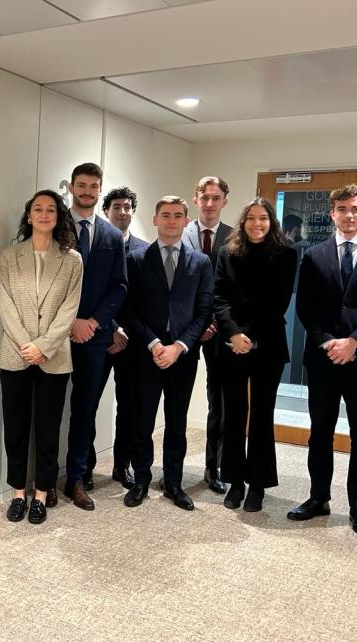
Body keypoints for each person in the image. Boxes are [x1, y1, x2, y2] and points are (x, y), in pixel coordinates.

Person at [287, 184, 357, 537]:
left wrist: (354, 342)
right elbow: (305, 307)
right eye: (342, 209)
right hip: (323, 360)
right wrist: (328, 342)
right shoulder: (314, 255)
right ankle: (318, 498)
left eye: (355, 209)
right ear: (332, 214)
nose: (348, 215)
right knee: (319, 433)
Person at [118, 196, 214, 510]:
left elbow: (204, 311)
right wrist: (153, 343)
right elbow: (127, 309)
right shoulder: (136, 259)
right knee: (142, 420)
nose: (171, 221)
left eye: (177, 215)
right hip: (146, 353)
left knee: (176, 422)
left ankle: (173, 482)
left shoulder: (200, 262)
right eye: (165, 215)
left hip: (182, 356)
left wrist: (179, 346)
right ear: (155, 219)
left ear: (186, 220)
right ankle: (141, 480)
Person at [0, 190, 82, 525]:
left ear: (58, 217)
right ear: (29, 216)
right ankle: (19, 492)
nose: (44, 214)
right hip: (15, 353)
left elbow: (69, 310)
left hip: (55, 356)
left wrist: (44, 346)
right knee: (15, 428)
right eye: (38, 209)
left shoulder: (72, 260)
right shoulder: (9, 256)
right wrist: (26, 345)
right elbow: (5, 304)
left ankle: (42, 494)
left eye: (50, 210)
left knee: (48, 429)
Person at [213, 199, 297, 512]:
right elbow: (219, 297)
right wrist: (234, 334)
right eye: (251, 218)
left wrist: (252, 338)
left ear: (271, 222)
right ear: (243, 221)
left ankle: (258, 485)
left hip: (268, 345)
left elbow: (278, 302)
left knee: (262, 416)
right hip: (232, 344)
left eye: (263, 218)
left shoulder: (286, 254)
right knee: (234, 414)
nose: (257, 224)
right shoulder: (227, 252)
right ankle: (235, 481)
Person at [57, 163, 127, 512]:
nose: (87, 191)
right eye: (81, 185)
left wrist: (95, 322)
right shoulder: (54, 228)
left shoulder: (112, 236)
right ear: (71, 188)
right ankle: (45, 480)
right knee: (50, 409)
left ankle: (76, 478)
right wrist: (70, 321)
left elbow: (119, 285)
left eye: (93, 186)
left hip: (95, 337)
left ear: (100, 190)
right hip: (56, 334)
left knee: (85, 410)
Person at [88, 187, 148, 490]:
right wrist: (112, 327)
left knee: (129, 407)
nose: (122, 212)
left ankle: (121, 466)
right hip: (99, 336)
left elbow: (145, 301)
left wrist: (127, 331)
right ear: (105, 211)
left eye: (127, 207)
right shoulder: (93, 244)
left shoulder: (145, 250)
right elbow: (89, 294)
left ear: (132, 211)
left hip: (132, 343)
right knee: (88, 403)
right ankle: (85, 467)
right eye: (116, 207)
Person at [182, 176, 232, 495]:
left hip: (219, 331)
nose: (210, 203)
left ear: (224, 201)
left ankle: (214, 468)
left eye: (216, 198)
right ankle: (172, 468)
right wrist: (197, 324)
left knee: (219, 403)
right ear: (196, 199)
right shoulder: (180, 232)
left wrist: (213, 321)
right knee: (176, 402)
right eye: (205, 197)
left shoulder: (235, 237)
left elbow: (234, 287)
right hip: (184, 331)